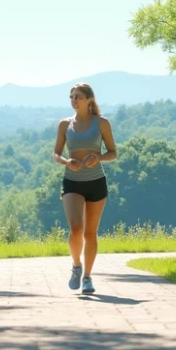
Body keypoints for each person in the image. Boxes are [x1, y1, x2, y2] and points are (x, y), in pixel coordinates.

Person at [52, 82, 117, 294]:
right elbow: (56, 154)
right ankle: (76, 266)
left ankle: (88, 277)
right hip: (72, 182)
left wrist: (98, 157)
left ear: (89, 99)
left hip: (96, 182)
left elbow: (113, 152)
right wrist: (66, 162)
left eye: (78, 96)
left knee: (90, 233)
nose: (74, 100)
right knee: (76, 229)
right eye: (71, 97)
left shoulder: (102, 123)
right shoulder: (64, 124)